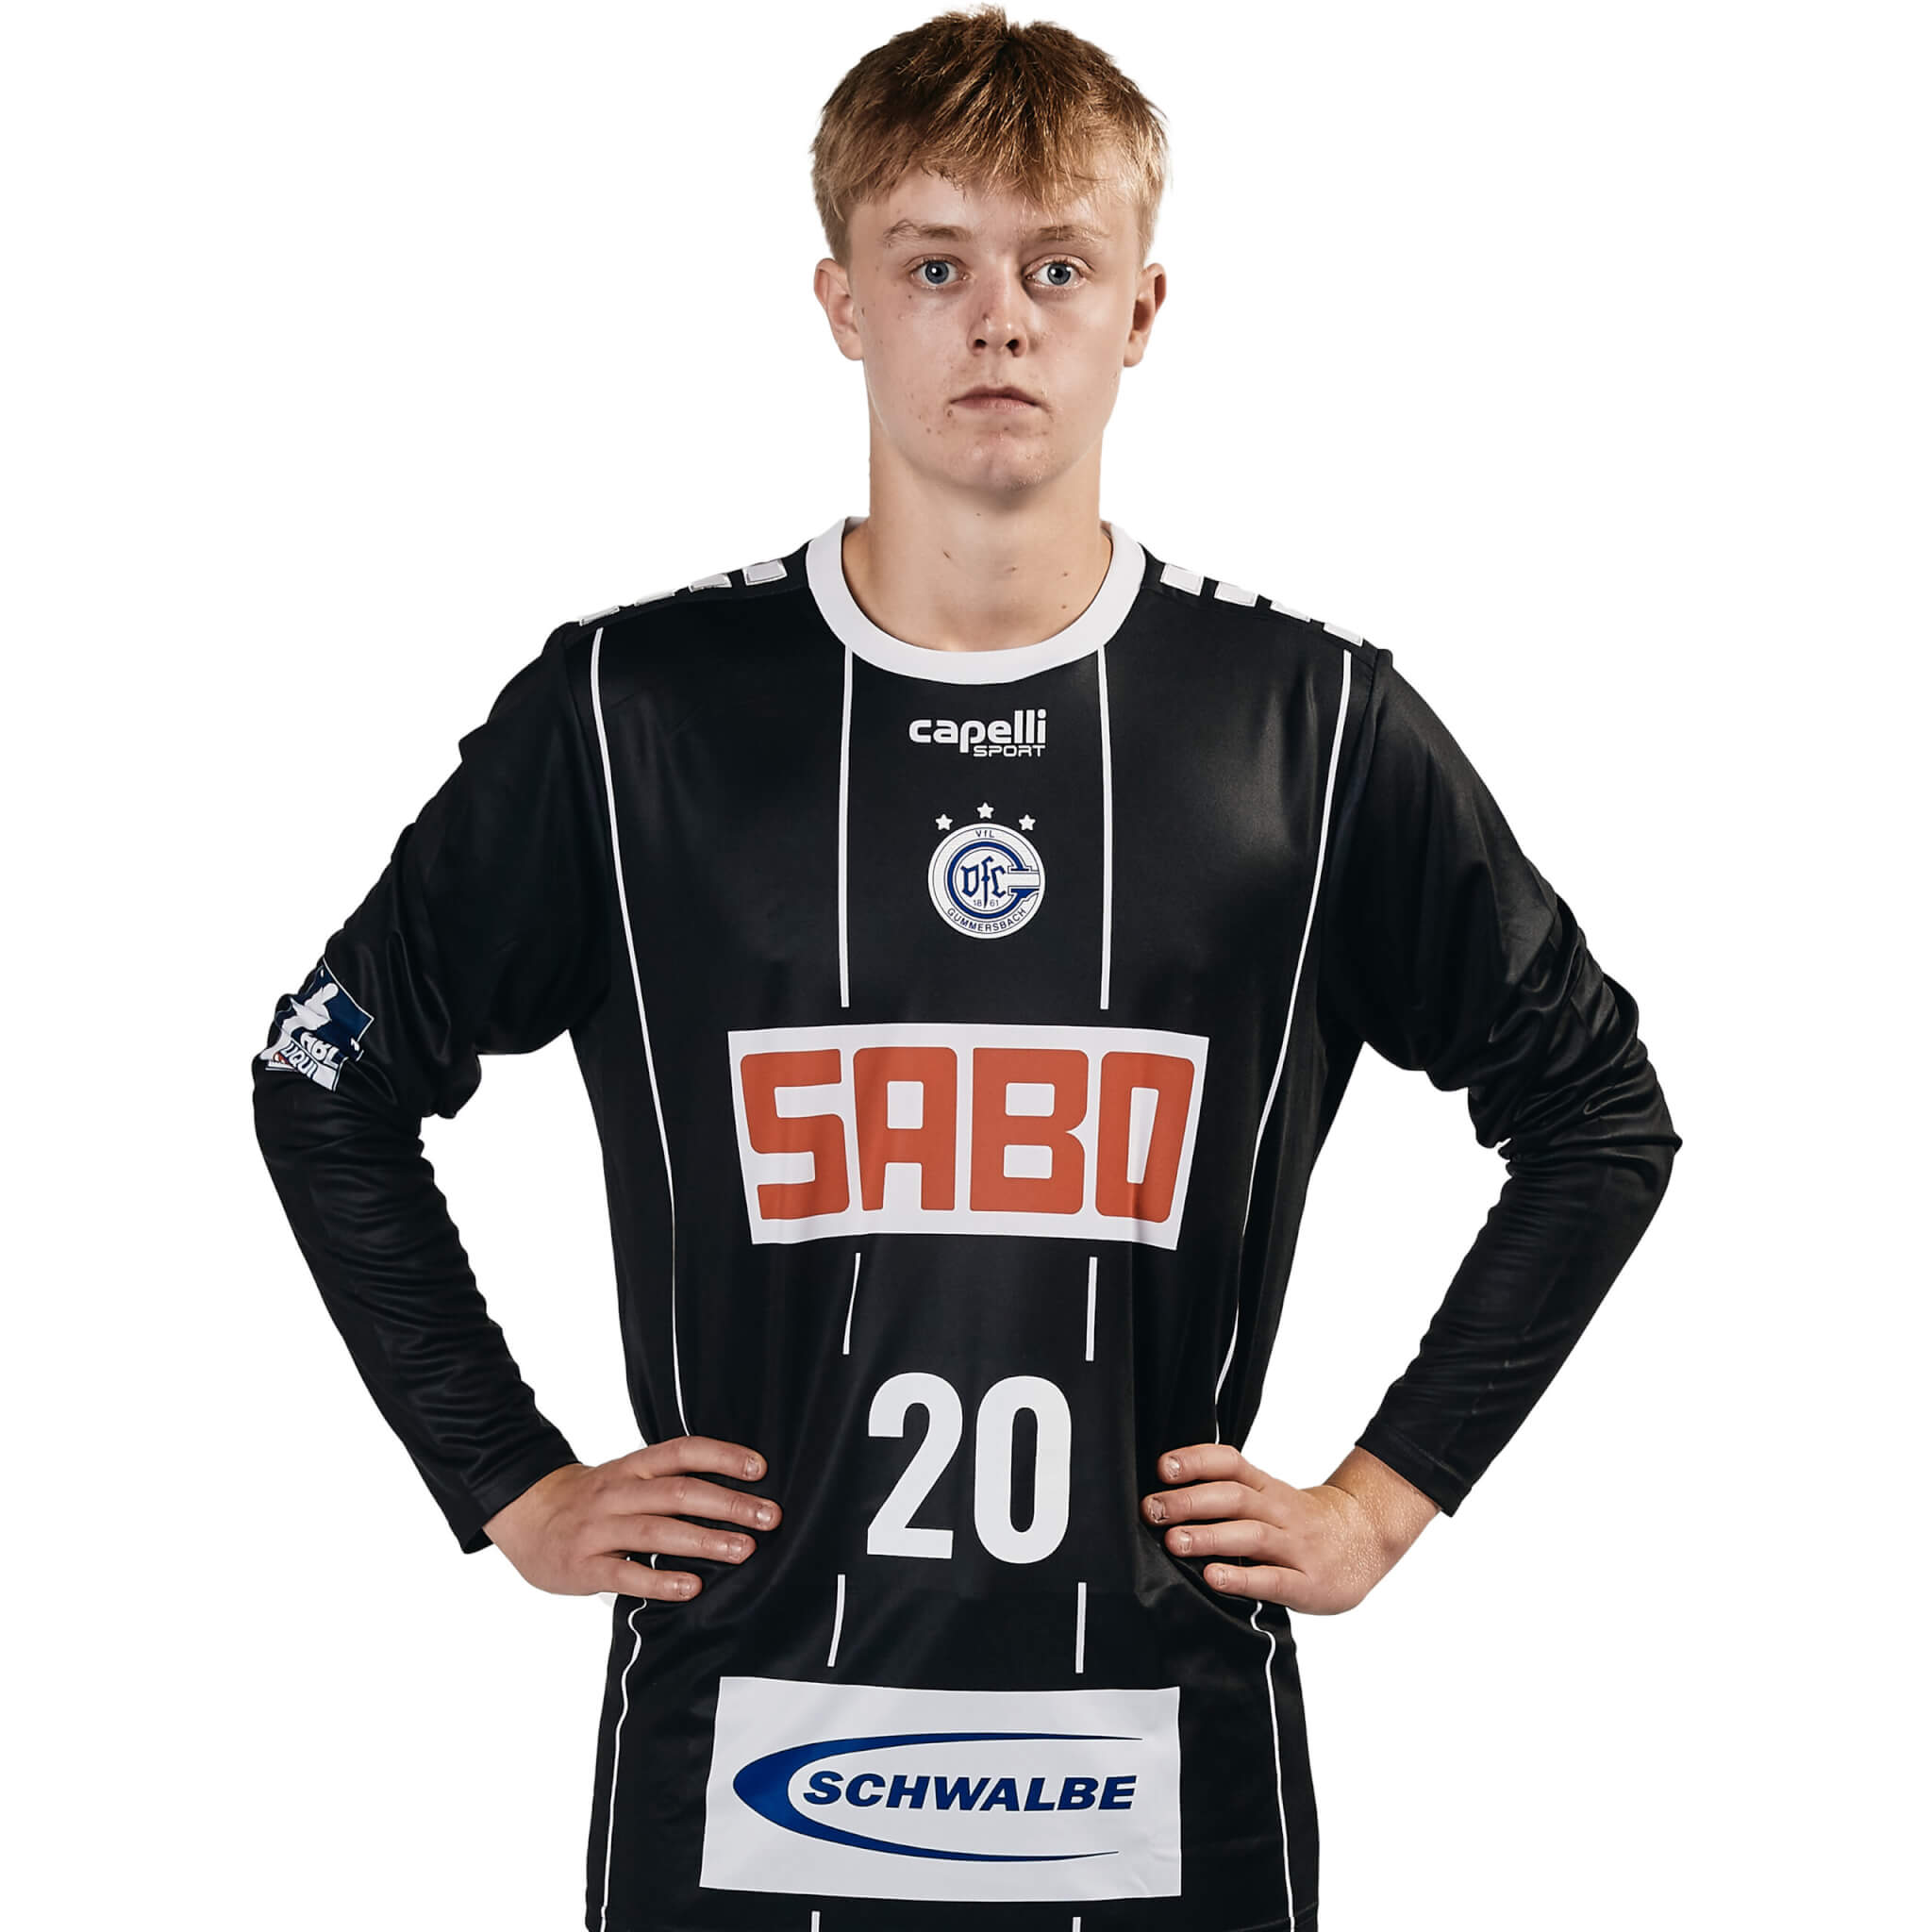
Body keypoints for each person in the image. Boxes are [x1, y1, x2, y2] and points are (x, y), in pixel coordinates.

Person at [251, 8, 1680, 1929]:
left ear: (1141, 309)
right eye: (935, 265)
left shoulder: (1311, 729)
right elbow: (326, 1072)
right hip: (741, 1763)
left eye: (1055, 266)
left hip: (1163, 1766)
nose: (999, 320)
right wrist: (509, 1478)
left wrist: (1382, 1494)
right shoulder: (633, 712)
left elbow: (1597, 1110)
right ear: (841, 302)